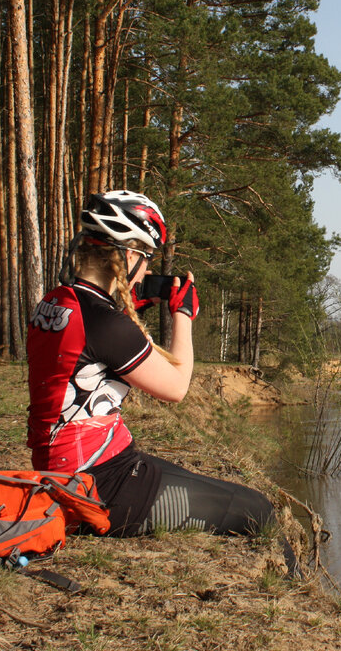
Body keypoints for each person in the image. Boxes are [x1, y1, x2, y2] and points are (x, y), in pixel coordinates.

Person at [26, 190, 285, 550]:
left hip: (69, 471)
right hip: (102, 487)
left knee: (201, 482)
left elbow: (84, 353)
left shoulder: (54, 302)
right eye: (146, 258)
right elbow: (176, 387)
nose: (147, 269)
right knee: (258, 508)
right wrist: (184, 314)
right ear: (128, 254)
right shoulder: (106, 323)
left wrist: (129, 307)